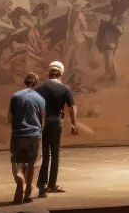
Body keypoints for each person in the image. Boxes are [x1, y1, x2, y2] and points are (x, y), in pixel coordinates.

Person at [34, 60, 78, 198]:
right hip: (55, 123)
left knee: (44, 154)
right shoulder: (65, 89)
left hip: (42, 124)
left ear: (49, 73)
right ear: (61, 74)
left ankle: (42, 184)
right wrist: (74, 124)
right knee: (55, 154)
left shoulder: (40, 89)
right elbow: (72, 107)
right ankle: (52, 184)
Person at [9, 73, 45, 204]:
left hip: (18, 135)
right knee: (33, 163)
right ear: (35, 83)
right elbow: (42, 120)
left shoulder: (15, 96)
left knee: (18, 161)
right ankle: (28, 190)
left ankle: (19, 175)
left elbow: (10, 118)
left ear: (25, 82)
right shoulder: (40, 98)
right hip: (34, 135)